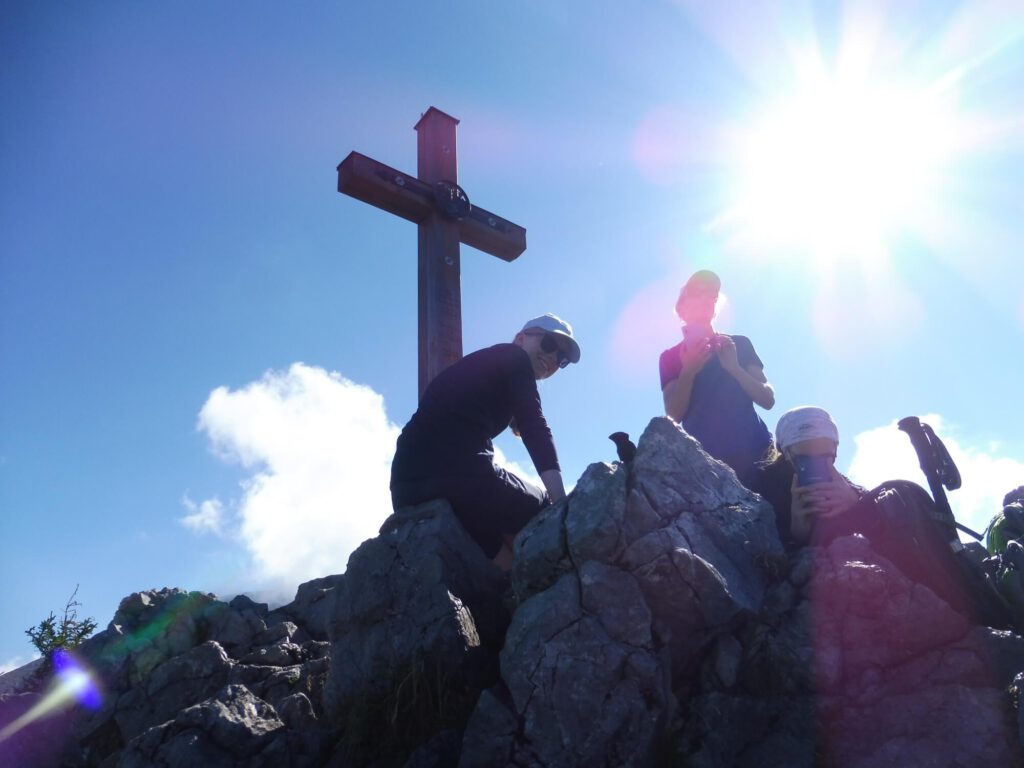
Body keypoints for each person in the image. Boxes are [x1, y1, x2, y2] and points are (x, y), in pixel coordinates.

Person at [390, 313, 581, 571]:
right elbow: (534, 426)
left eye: (562, 359)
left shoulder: (489, 366)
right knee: (543, 504)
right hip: (460, 474)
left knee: (493, 545)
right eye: (548, 344)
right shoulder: (514, 357)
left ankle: (512, 586)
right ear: (521, 339)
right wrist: (562, 505)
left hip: (405, 485)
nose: (553, 358)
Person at [750, 406, 977, 618]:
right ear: (785, 451)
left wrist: (857, 503)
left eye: (824, 453)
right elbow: (759, 552)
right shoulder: (763, 488)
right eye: (805, 454)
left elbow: (889, 534)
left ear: (835, 450)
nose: (816, 461)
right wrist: (796, 532)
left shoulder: (847, 487)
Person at [659, 270, 775, 485]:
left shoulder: (738, 344)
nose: (706, 298)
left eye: (712, 294)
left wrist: (734, 368)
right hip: (707, 467)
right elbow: (673, 416)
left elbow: (768, 399)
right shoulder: (670, 358)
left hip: (760, 454)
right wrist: (689, 371)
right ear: (681, 308)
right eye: (697, 293)